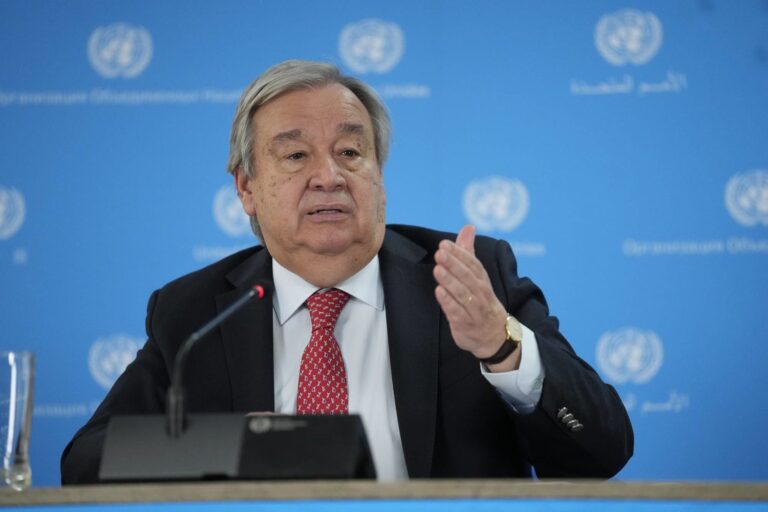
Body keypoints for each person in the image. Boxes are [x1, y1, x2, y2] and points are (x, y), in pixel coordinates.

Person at [61, 60, 633, 484]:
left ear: (379, 177)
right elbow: (84, 462)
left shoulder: (469, 279)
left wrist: (501, 346)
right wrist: (232, 447)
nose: (329, 176)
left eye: (351, 153)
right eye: (295, 156)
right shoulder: (195, 311)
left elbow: (603, 452)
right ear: (247, 188)